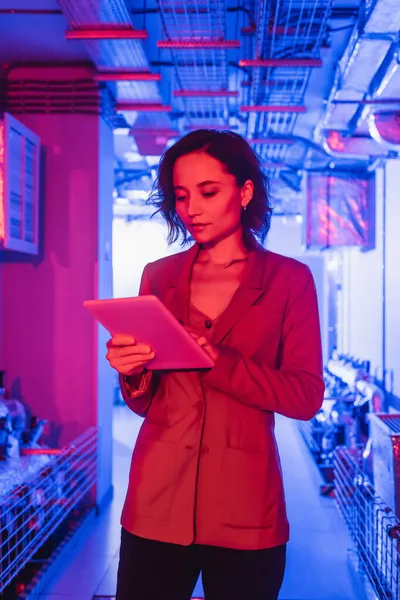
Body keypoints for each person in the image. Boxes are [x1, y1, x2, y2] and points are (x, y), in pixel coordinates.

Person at [106, 129, 324, 600]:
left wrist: (219, 362)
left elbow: (306, 397)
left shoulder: (289, 281)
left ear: (244, 192)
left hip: (246, 508)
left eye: (208, 192)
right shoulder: (158, 277)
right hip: (155, 501)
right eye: (182, 196)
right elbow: (146, 405)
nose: (192, 209)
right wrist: (132, 371)